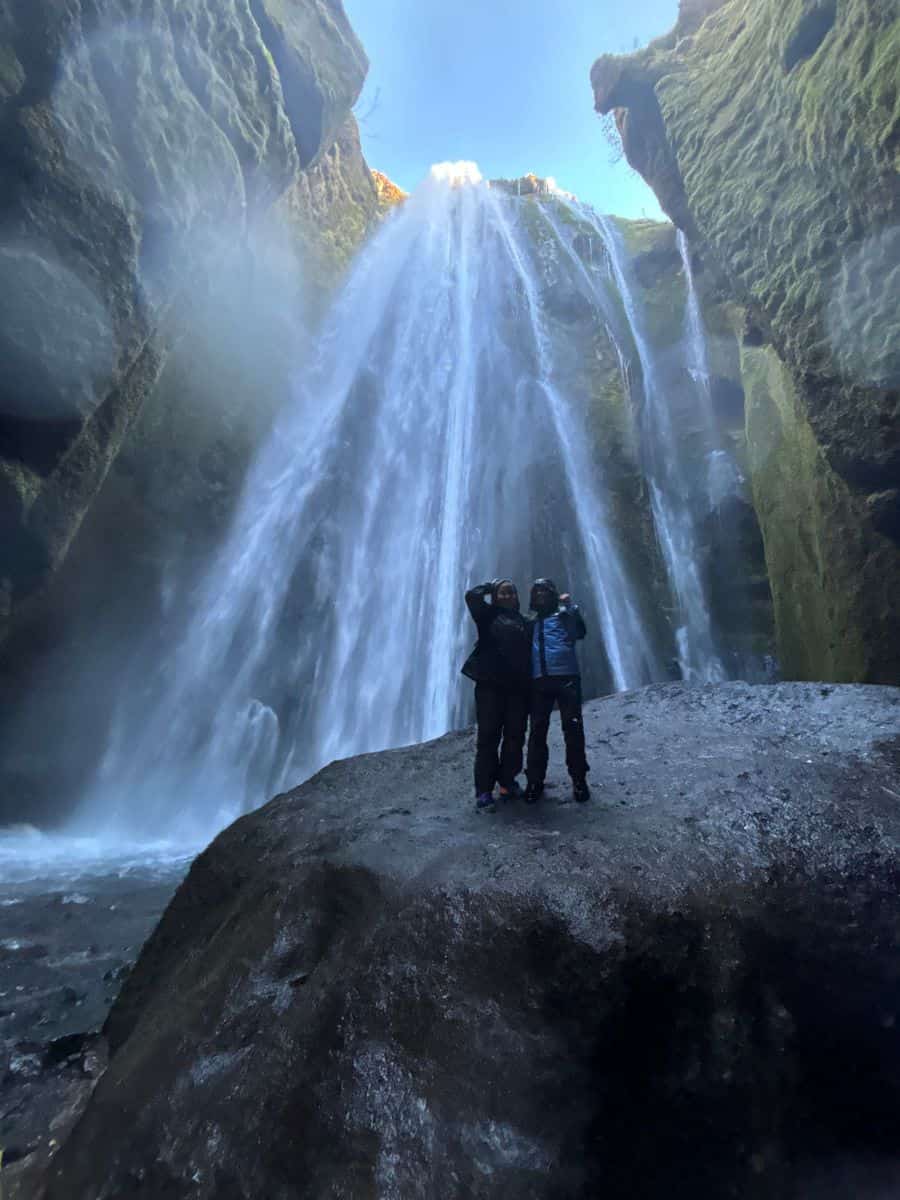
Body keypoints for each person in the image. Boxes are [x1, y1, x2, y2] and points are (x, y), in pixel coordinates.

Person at [461, 579, 531, 812]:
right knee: (488, 738)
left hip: (517, 689)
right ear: (495, 596)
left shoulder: (524, 621)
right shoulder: (487, 615)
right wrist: (489, 587)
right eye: (502, 592)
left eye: (511, 591)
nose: (507, 595)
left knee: (515, 737)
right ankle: (483, 790)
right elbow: (471, 596)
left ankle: (507, 781)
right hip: (490, 687)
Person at [525, 578, 591, 804]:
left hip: (566, 678)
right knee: (536, 732)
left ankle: (579, 780)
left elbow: (580, 632)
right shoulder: (530, 623)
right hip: (540, 680)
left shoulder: (564, 615)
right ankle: (534, 781)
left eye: (545, 591)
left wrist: (571, 607)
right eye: (537, 592)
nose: (541, 595)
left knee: (572, 729)